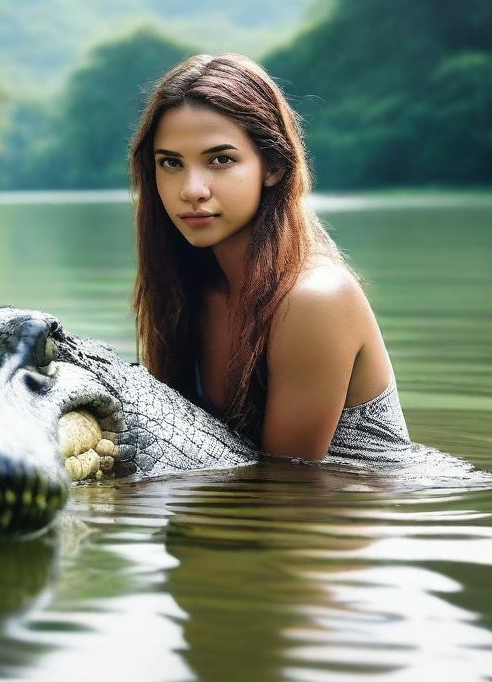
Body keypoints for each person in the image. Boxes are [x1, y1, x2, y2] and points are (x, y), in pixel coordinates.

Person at [130, 52, 409, 463]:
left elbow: (284, 491)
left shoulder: (315, 299)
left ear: (273, 166)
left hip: (326, 521)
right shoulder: (187, 289)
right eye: (170, 163)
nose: (192, 189)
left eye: (220, 160)